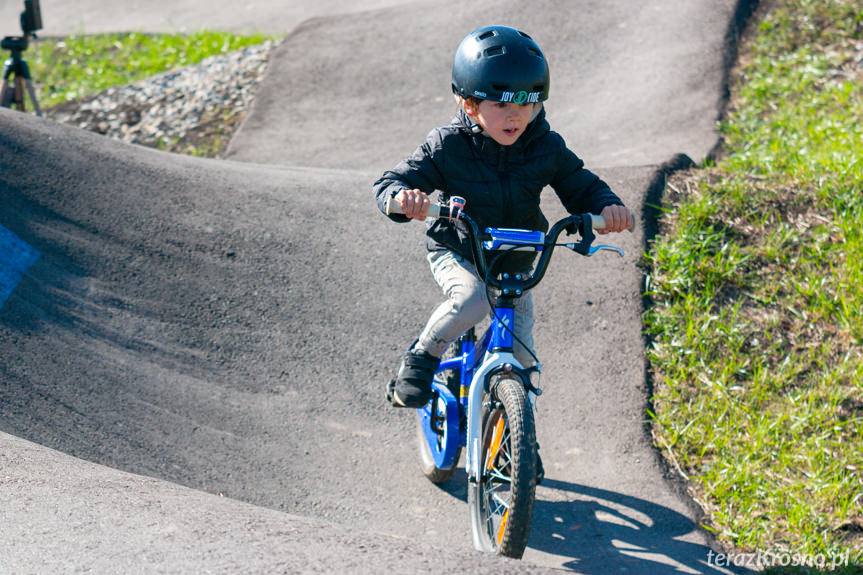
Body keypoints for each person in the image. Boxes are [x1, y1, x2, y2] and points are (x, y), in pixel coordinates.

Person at [374, 25, 632, 410]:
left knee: (524, 359)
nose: (515, 116)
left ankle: (518, 448)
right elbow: (390, 183)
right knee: (473, 301)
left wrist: (608, 206)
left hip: (516, 260)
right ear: (469, 104)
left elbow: (582, 185)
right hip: (458, 249)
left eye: (526, 104)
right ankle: (423, 357)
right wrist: (403, 199)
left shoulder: (545, 146)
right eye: (501, 105)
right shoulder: (447, 146)